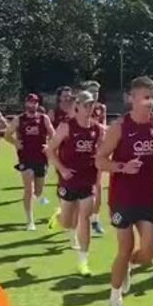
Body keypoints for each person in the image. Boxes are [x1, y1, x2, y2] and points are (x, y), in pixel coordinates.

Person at [96, 76, 153, 306]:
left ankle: (129, 265)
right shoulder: (119, 127)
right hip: (123, 197)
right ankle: (115, 296)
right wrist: (122, 167)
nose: (150, 102)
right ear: (132, 99)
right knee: (125, 246)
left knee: (150, 253)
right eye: (145, 97)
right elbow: (100, 160)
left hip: (149, 196)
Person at [47, 91, 104, 275]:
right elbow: (50, 150)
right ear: (77, 106)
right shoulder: (66, 127)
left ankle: (83, 261)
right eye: (86, 105)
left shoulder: (97, 129)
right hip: (69, 179)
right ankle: (58, 216)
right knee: (66, 222)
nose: (89, 108)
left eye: (92, 105)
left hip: (87, 180)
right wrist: (62, 169)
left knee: (84, 218)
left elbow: (102, 152)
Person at [5, 94, 54, 230]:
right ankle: (30, 221)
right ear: (26, 103)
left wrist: (49, 146)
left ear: (38, 104)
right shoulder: (19, 120)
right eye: (30, 102)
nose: (32, 105)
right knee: (29, 188)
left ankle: (31, 204)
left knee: (38, 191)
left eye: (35, 103)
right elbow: (6, 134)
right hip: (25, 158)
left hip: (41, 158)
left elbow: (53, 135)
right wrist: (15, 142)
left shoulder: (44, 119)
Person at [81, 80, 107, 236]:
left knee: (97, 186)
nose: (95, 94)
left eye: (97, 91)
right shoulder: (79, 107)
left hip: (95, 151)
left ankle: (95, 219)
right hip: (80, 150)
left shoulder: (101, 108)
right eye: (92, 91)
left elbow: (102, 128)